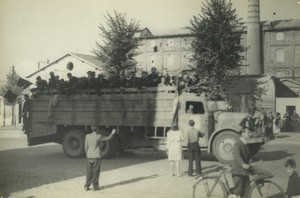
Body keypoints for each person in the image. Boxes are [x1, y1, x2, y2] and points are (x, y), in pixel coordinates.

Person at [84, 126, 116, 191]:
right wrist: (112, 133)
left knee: (89, 172)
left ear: (92, 129)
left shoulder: (87, 136)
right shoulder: (99, 136)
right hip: (96, 156)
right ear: (97, 129)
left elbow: (85, 147)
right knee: (96, 172)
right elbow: (108, 138)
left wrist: (88, 155)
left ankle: (87, 186)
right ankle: (95, 187)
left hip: (89, 156)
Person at [231, 123, 253, 198]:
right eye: (248, 132)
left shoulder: (245, 143)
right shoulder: (238, 143)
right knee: (238, 190)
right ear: (242, 133)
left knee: (247, 189)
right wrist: (243, 164)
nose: (249, 134)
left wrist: (252, 163)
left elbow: (249, 156)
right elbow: (236, 155)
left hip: (245, 171)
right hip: (238, 170)